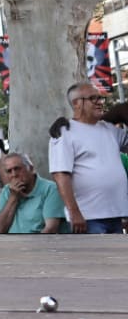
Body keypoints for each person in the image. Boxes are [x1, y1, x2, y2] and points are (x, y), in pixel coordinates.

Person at [49, 82, 128, 233]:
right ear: (76, 103)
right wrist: (74, 213)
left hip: (116, 214)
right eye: (93, 98)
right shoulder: (64, 132)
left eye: (100, 98)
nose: (99, 102)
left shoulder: (109, 129)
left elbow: (121, 111)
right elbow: (60, 175)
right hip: (88, 217)